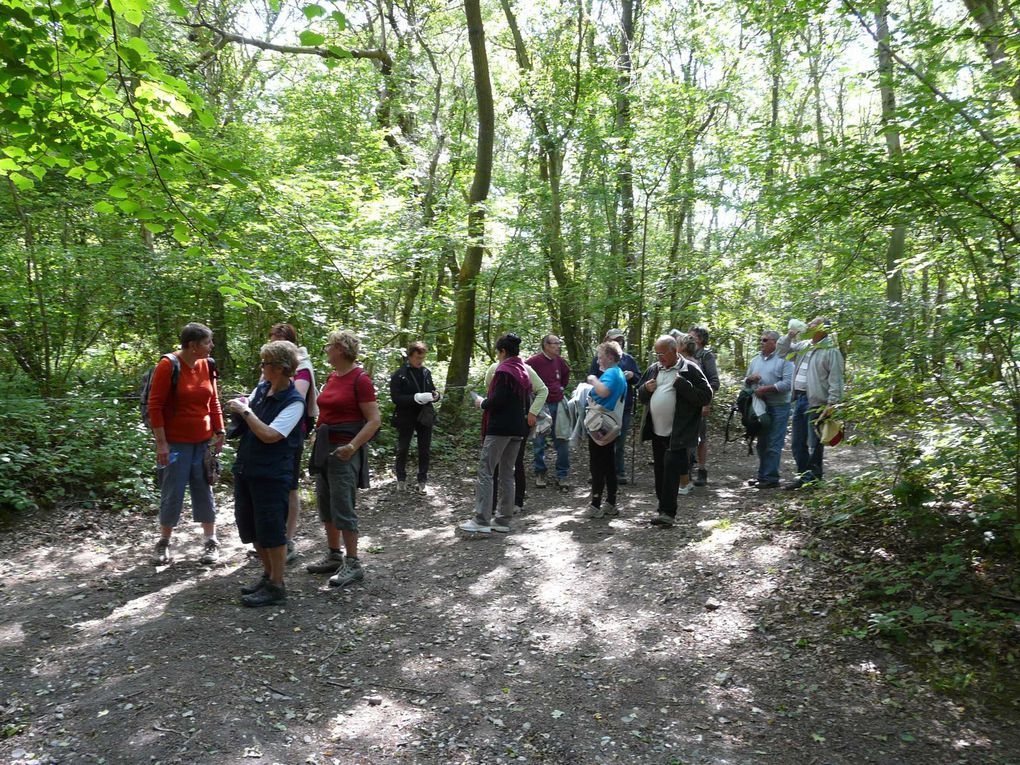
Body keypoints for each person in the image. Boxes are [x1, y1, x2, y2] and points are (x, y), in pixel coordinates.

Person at [228, 341, 305, 607]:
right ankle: (268, 575)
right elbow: (248, 414)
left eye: (266, 364)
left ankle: (277, 585)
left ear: (282, 369)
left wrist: (245, 411)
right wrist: (240, 410)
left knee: (272, 530)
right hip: (248, 470)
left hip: (272, 475)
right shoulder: (262, 389)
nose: (262, 369)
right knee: (252, 529)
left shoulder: (294, 402)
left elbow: (271, 435)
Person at [306, 330, 381, 587]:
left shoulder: (360, 379)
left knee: (343, 507)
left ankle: (353, 563)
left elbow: (374, 421)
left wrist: (352, 446)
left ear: (340, 349)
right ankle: (333, 555)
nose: (326, 349)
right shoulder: (333, 377)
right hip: (324, 449)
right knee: (326, 505)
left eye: (330, 346)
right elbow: (326, 410)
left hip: (344, 451)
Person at [148, 322, 225, 565]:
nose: (211, 346)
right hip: (175, 445)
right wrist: (162, 444)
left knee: (204, 489)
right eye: (207, 342)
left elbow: (213, 401)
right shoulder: (168, 365)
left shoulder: (207, 364)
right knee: (173, 491)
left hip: (202, 442)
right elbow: (155, 407)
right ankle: (164, 542)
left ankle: (211, 541)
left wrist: (219, 429)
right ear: (193, 346)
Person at [459, 333, 532, 536]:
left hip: (500, 428)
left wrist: (481, 402)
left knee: (486, 471)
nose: (497, 356)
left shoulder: (503, 371)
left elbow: (497, 401)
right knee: (508, 473)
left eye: (497, 352)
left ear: (503, 351)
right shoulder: (522, 371)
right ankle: (502, 520)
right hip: (518, 428)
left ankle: (481, 519)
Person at [637, 336, 713, 527]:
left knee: (670, 467)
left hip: (679, 432)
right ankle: (663, 508)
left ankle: (668, 513)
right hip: (657, 430)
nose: (659, 357)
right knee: (659, 470)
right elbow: (640, 394)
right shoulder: (654, 369)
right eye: (657, 353)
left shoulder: (689, 369)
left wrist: (683, 385)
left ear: (674, 351)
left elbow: (706, 395)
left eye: (663, 353)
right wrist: (646, 388)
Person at [266, 323, 317, 564]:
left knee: (290, 487)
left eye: (275, 340)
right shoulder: (269, 367)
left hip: (291, 436)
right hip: (267, 431)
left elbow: (288, 398)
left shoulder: (302, 369)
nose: (271, 343)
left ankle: (287, 539)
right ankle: (271, 539)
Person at [777, 317, 845, 489]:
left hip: (817, 402)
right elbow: (782, 353)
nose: (809, 325)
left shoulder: (831, 351)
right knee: (797, 442)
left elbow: (836, 380)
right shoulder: (803, 345)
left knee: (814, 443)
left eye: (813, 323)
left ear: (823, 328)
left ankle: (813, 479)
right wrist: (789, 336)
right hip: (799, 400)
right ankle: (804, 476)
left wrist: (832, 404)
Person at [488, 352, 548, 517]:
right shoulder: (494, 368)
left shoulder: (526, 369)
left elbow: (543, 390)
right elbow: (491, 393)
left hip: (518, 422)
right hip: (502, 422)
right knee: (498, 465)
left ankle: (517, 502)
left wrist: (532, 412)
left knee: (515, 463)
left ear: (501, 352)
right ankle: (494, 504)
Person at [587, 329, 641, 484]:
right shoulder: (600, 359)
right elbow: (594, 377)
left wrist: (631, 376)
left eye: (621, 339)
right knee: (600, 441)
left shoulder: (628, 359)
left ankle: (618, 472)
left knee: (618, 441)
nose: (619, 342)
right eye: (615, 339)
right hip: (602, 408)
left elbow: (638, 378)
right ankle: (598, 472)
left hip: (623, 406)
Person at [583, 341, 629, 519]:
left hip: (601, 425)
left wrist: (592, 379)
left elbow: (603, 392)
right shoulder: (618, 373)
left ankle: (595, 505)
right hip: (611, 425)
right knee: (609, 464)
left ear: (610, 357)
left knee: (597, 464)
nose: (598, 360)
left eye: (600, 356)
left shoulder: (611, 373)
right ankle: (610, 503)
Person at [744, 330, 794, 490]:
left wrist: (766, 389)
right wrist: (750, 379)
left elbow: (788, 384)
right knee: (762, 442)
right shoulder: (755, 360)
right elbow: (745, 382)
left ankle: (771, 477)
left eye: (765, 340)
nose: (762, 342)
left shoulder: (785, 360)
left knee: (774, 442)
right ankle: (763, 474)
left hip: (779, 406)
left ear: (775, 342)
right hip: (761, 407)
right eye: (761, 340)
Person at [389, 341, 439, 493]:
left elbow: (433, 390)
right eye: (418, 357)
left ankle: (422, 480)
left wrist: (436, 396)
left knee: (424, 449)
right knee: (403, 448)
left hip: (424, 415)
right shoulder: (400, 374)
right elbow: (396, 398)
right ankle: (401, 479)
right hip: (406, 416)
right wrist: (415, 397)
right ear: (410, 356)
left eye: (422, 358)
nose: (420, 361)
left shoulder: (426, 373)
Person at [525, 334, 572, 489]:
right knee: (539, 440)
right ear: (546, 345)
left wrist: (561, 387)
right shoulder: (534, 361)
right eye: (555, 343)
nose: (558, 346)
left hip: (558, 403)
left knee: (562, 439)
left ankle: (562, 474)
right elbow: (523, 375)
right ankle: (540, 472)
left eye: (559, 343)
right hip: (541, 405)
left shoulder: (560, 361)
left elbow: (566, 373)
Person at [688, 326, 721, 486]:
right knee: (684, 437)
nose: (689, 339)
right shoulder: (685, 354)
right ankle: (686, 469)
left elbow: (714, 382)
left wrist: (706, 403)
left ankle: (701, 470)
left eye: (692, 337)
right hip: (686, 402)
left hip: (700, 402)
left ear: (700, 340)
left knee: (701, 438)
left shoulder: (706, 356)